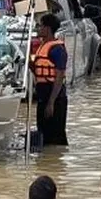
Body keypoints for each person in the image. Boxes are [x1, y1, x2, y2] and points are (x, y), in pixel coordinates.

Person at [31, 14, 69, 148]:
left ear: (47, 29)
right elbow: (37, 70)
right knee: (43, 133)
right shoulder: (42, 46)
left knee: (56, 138)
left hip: (55, 98)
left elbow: (59, 77)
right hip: (43, 96)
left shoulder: (57, 49)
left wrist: (51, 103)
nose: (38, 28)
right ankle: (46, 164)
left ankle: (56, 162)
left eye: (40, 25)